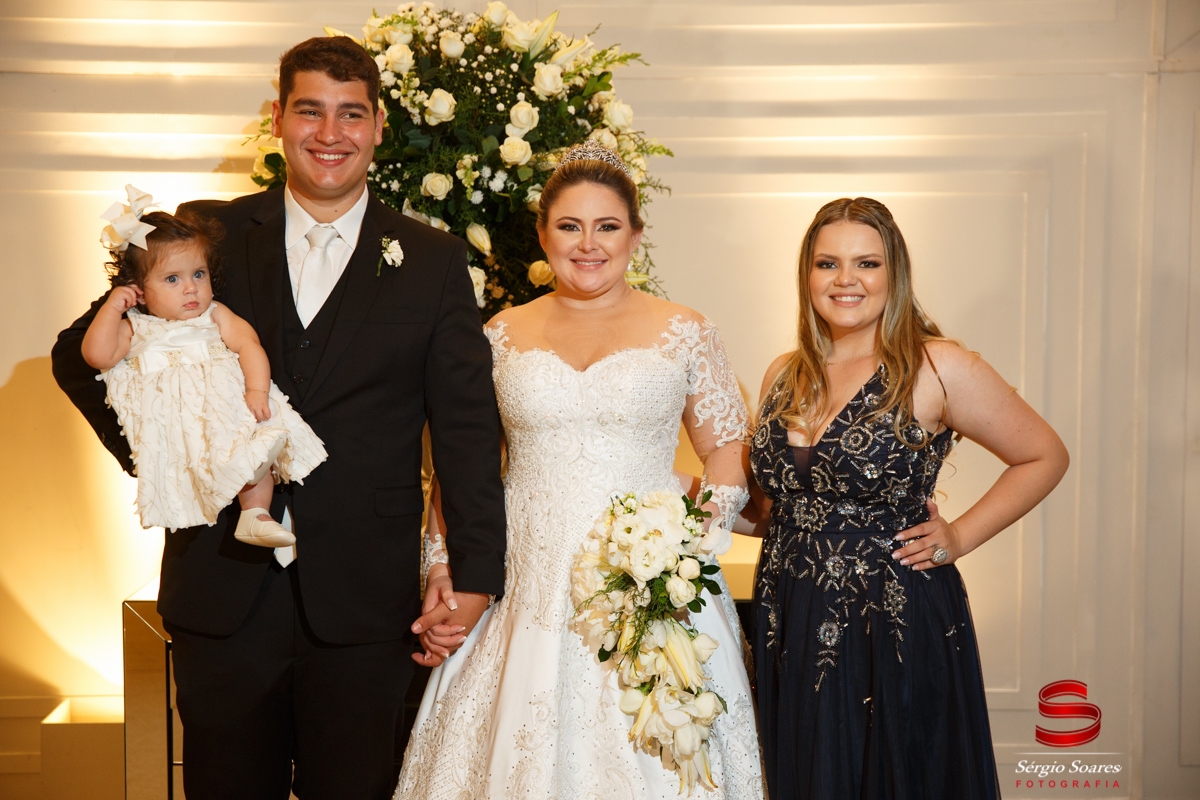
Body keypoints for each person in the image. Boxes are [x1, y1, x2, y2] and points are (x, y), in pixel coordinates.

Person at [51, 36, 506, 800]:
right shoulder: (208, 232)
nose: (330, 133)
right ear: (278, 118)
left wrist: (475, 572)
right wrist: (175, 455)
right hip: (222, 588)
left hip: (368, 601)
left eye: (351, 113)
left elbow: (466, 428)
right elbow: (78, 357)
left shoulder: (432, 259)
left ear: (379, 125)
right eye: (310, 110)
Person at [393, 142, 766, 799]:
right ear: (543, 235)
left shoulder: (686, 330)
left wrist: (693, 542)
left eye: (607, 226)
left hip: (652, 583)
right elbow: (463, 464)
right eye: (570, 225)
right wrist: (441, 565)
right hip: (524, 582)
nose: (588, 244)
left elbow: (727, 446)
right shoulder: (499, 334)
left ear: (635, 236)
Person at [743, 197, 1069, 798]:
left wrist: (958, 536)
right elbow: (771, 512)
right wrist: (663, 498)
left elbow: (1044, 455)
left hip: (890, 613)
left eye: (866, 263)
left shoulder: (935, 366)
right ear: (806, 274)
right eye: (827, 263)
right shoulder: (782, 373)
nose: (845, 279)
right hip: (787, 610)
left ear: (894, 272)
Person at [81, 201, 325, 544]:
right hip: (181, 422)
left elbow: (249, 345)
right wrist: (111, 308)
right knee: (204, 463)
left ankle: (256, 514)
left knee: (255, 448)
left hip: (229, 407)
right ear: (139, 290)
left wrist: (256, 390)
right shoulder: (134, 327)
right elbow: (97, 356)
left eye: (199, 274)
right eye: (172, 279)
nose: (191, 288)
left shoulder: (215, 313)